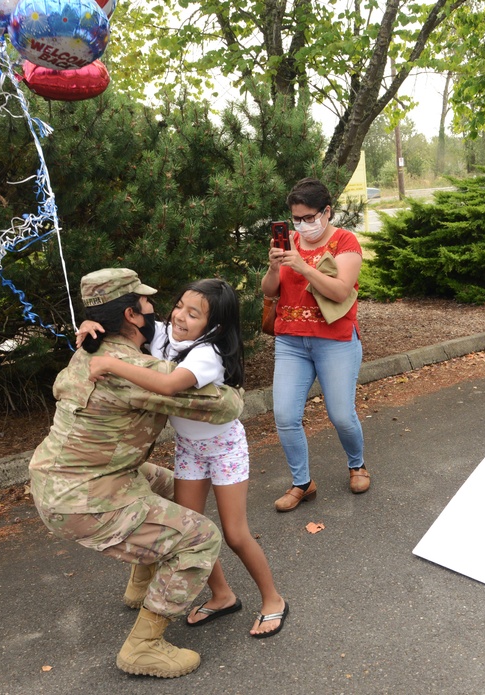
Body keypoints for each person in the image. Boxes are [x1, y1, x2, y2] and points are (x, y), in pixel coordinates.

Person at [28, 268, 245, 679]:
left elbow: (160, 337)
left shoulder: (92, 348)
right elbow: (226, 406)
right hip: (81, 498)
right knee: (201, 537)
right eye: (146, 302)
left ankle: (142, 581)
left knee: (166, 484)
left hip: (67, 476)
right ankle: (143, 646)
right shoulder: (131, 371)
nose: (157, 309)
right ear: (131, 315)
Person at [85, 279, 289, 638]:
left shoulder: (207, 354)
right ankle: (223, 595)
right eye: (179, 305)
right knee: (190, 531)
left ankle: (273, 599)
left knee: (235, 534)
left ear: (215, 326)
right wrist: (88, 328)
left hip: (224, 449)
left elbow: (168, 385)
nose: (179, 316)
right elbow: (127, 324)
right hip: (189, 449)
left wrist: (110, 365)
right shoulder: (166, 334)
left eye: (193, 314)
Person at [261, 177, 367, 512]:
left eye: (310, 217)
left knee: (341, 414)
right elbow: (269, 291)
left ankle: (357, 464)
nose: (303, 225)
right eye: (297, 218)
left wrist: (303, 267)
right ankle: (302, 483)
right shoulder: (288, 243)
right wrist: (274, 266)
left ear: (326, 212)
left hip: (334, 339)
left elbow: (341, 292)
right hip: (291, 340)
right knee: (285, 414)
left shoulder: (345, 242)